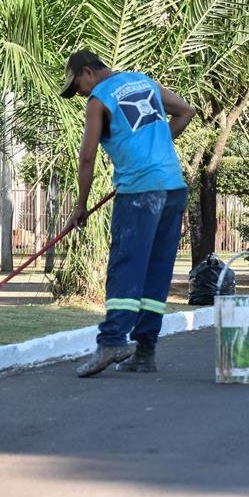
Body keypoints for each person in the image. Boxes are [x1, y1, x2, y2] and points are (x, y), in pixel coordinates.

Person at [61, 49, 195, 378]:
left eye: (77, 86)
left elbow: (87, 157)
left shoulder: (99, 99)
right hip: (172, 188)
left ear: (87, 72)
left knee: (126, 266)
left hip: (138, 194)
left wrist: (80, 206)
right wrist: (156, 150)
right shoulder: (144, 82)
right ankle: (145, 352)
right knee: (156, 271)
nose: (80, 93)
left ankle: (112, 342)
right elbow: (186, 111)